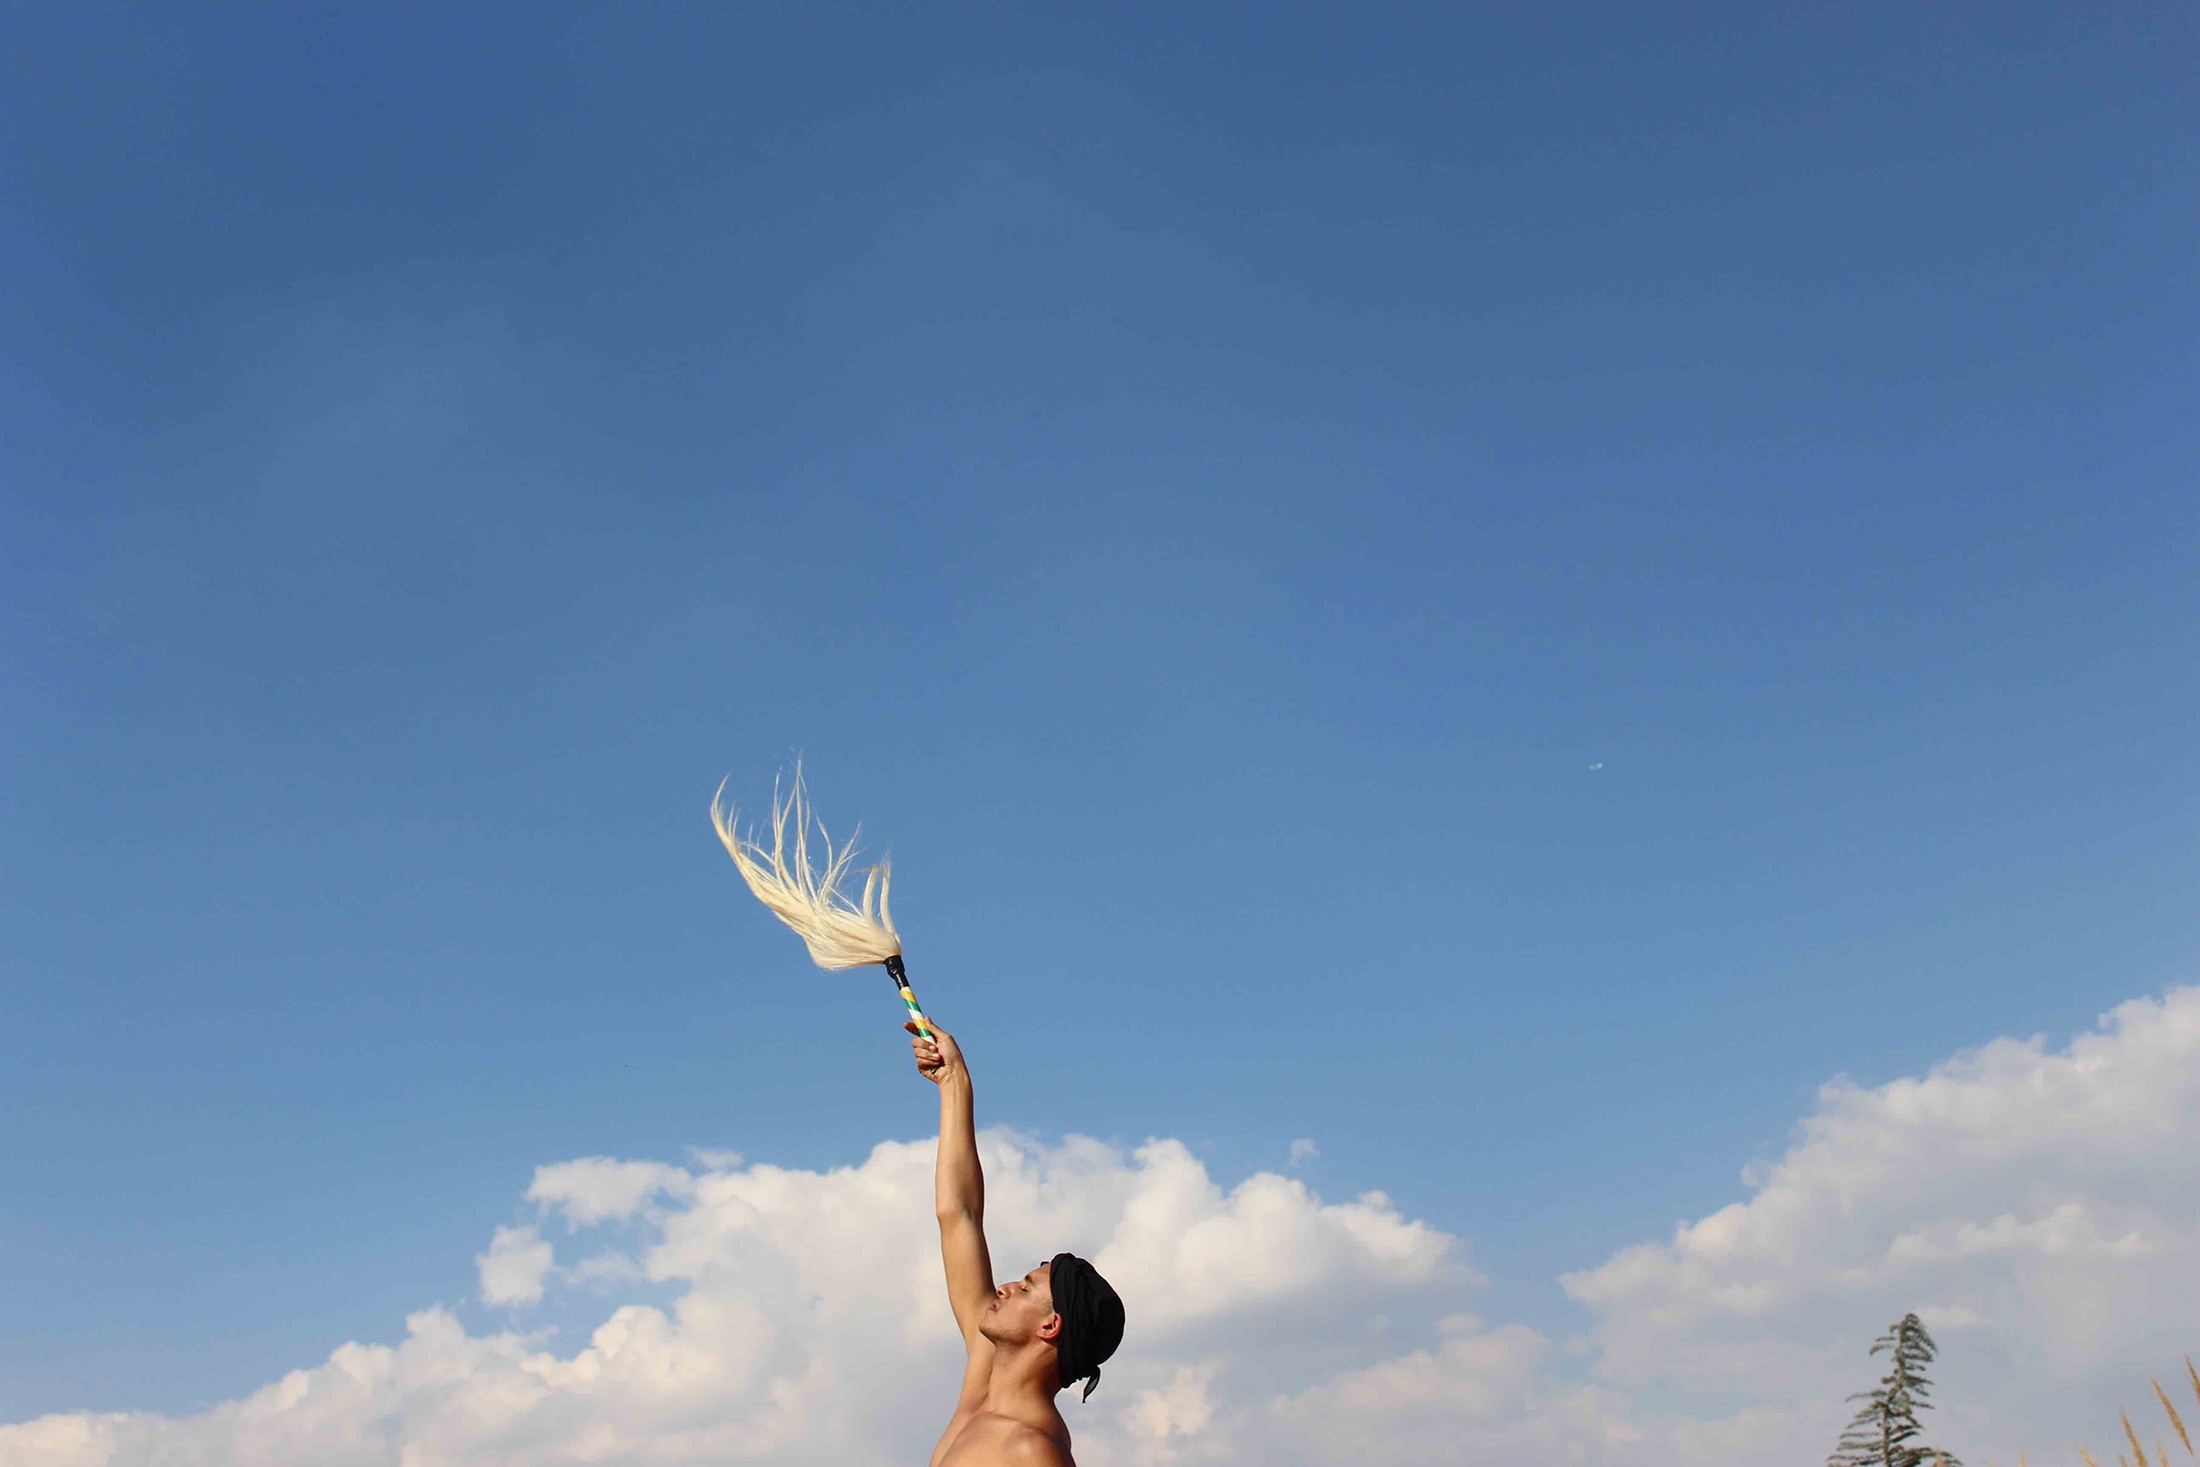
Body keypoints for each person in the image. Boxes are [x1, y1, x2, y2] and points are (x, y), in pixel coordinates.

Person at [908, 1016, 1125, 1467]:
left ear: (1050, 1326)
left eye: (1027, 1288)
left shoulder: (1032, 1450)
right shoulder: (983, 1373)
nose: (1004, 1287)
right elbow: (959, 1216)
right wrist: (954, 1084)